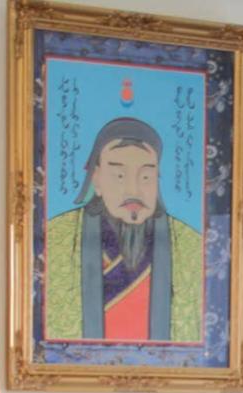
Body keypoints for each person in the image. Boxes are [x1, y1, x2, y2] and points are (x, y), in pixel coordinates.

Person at [44, 117, 204, 343]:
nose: (133, 190)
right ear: (96, 179)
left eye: (146, 177)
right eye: (119, 176)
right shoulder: (57, 236)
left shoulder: (190, 244)